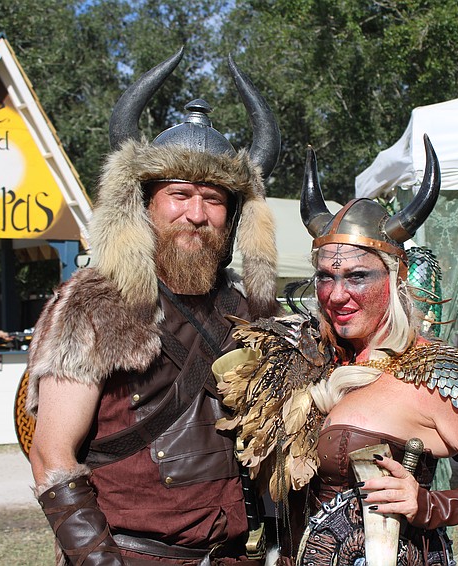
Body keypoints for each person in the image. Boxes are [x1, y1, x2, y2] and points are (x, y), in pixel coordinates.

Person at [215, 137, 458, 565]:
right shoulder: (316, 358)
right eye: (326, 277)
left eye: (358, 276)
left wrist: (432, 506)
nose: (337, 295)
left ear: (394, 280)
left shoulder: (430, 370)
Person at [24, 47, 280, 565]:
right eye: (179, 194)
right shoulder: (91, 305)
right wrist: (98, 560)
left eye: (213, 199)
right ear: (145, 204)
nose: (195, 214)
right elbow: (51, 454)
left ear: (231, 218)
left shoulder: (251, 312)